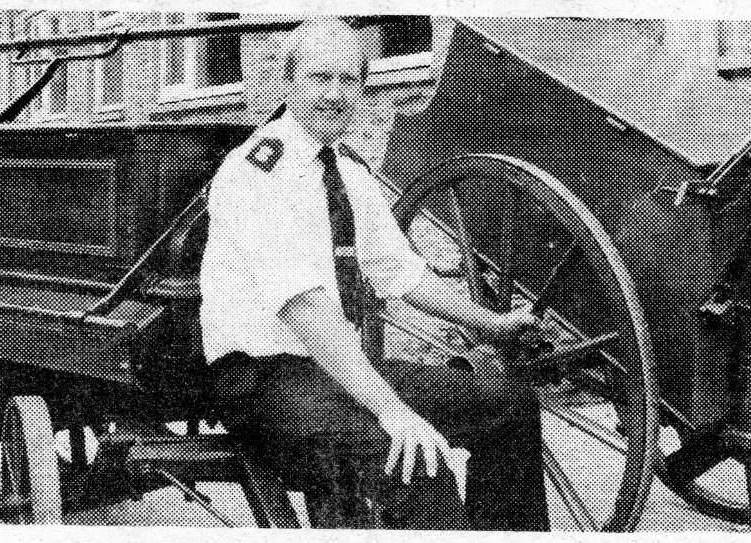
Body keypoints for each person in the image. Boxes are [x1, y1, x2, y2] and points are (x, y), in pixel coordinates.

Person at [200, 17, 548, 530]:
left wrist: (489, 324)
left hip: (331, 370)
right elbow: (306, 311)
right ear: (290, 81)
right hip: (263, 380)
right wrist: (394, 409)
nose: (336, 95)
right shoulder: (256, 173)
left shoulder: (348, 173)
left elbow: (401, 273)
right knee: (412, 452)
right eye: (321, 78)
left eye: (350, 81)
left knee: (509, 407)